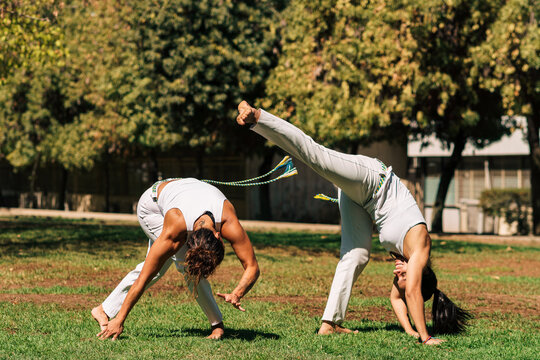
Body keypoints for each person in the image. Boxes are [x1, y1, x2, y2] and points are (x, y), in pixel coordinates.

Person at [236, 101, 470, 345]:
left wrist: (410, 330)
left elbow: (397, 299)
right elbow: (411, 292)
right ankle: (259, 116)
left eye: (399, 277)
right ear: (418, 273)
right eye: (403, 276)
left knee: (357, 255)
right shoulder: (421, 247)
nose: (396, 272)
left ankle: (330, 324)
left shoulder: (407, 265)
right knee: (316, 156)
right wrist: (425, 337)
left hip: (361, 203)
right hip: (372, 179)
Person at [91, 177, 260, 340]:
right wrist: (120, 320)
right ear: (217, 235)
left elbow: (252, 266)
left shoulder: (227, 220)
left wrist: (237, 293)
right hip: (153, 206)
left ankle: (103, 310)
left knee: (179, 264)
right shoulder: (176, 227)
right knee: (177, 265)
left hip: (182, 191)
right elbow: (144, 277)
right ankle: (217, 325)